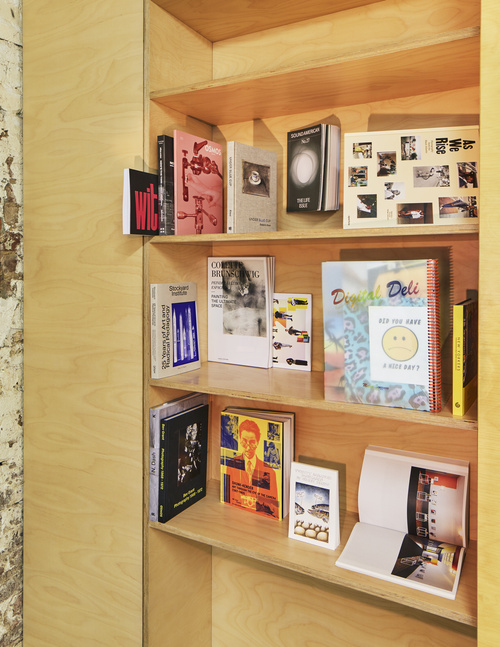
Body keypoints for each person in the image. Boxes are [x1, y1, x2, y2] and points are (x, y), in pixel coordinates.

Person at [224, 418, 278, 518]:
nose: (248, 447)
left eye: (252, 442)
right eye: (244, 441)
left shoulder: (269, 471)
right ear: (239, 439)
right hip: (235, 516)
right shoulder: (231, 464)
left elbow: (274, 510)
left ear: (258, 442)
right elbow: (227, 499)